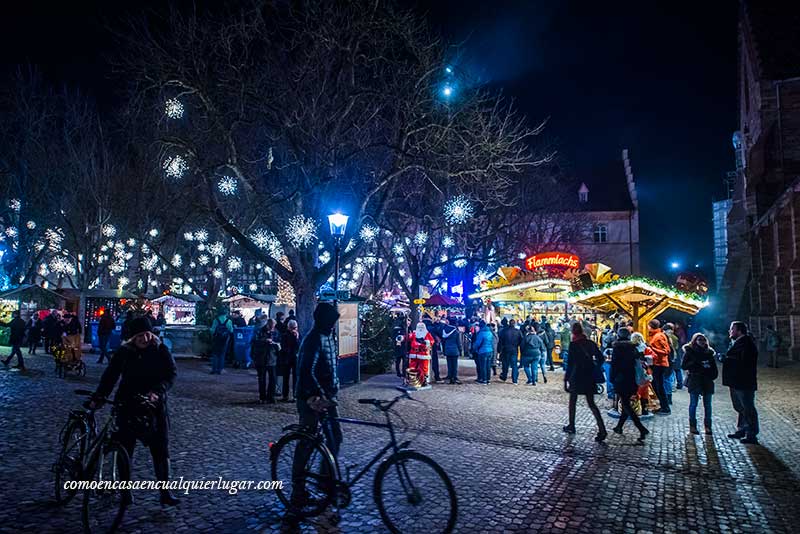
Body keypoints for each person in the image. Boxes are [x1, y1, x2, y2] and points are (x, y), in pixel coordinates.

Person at [90, 317, 179, 506]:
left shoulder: (161, 350)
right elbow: (110, 376)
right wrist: (99, 396)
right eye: (140, 336)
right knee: (125, 448)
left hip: (154, 407)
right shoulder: (124, 352)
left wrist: (158, 391)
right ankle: (125, 491)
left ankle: (165, 491)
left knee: (160, 449)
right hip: (127, 404)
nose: (145, 339)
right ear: (132, 338)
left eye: (147, 334)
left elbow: (170, 374)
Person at [291, 302, 342, 510]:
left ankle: (324, 478)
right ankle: (298, 489)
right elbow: (306, 371)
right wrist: (319, 394)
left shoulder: (328, 335)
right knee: (307, 441)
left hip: (326, 397)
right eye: (330, 322)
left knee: (335, 436)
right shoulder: (312, 340)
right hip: (310, 398)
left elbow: (330, 365)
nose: (332, 326)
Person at [563, 323, 607, 441]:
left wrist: (566, 379)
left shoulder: (573, 345)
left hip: (576, 376)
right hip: (589, 376)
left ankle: (572, 425)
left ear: (573, 332)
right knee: (591, 403)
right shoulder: (591, 344)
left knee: (573, 402)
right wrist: (595, 366)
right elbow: (601, 358)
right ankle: (602, 429)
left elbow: (570, 364)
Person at [723, 321, 759, 444]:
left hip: (743, 381)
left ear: (739, 331)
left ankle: (751, 433)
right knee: (740, 407)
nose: (730, 331)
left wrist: (727, 359)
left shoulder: (746, 343)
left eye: (732, 329)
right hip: (736, 381)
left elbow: (745, 362)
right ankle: (742, 429)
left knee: (747, 407)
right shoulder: (737, 342)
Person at [610, 328, 649, 442]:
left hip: (621, 379)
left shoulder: (617, 348)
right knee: (626, 402)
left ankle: (641, 428)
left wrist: (612, 378)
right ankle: (619, 427)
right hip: (631, 379)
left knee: (626, 404)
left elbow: (614, 365)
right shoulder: (633, 348)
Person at [681, 333, 718, 435]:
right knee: (693, 404)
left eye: (703, 340)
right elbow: (683, 365)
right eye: (699, 340)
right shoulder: (690, 352)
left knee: (708, 405)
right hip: (695, 380)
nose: (702, 342)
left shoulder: (709, 353)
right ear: (695, 341)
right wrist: (695, 363)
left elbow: (714, 368)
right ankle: (693, 426)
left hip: (707, 381)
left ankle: (708, 427)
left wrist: (711, 375)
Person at [251, 317, 280, 403]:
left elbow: (279, 342)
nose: (272, 329)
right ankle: (262, 397)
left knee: (273, 379)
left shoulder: (275, 332)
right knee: (262, 378)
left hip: (272, 358)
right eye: (271, 327)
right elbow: (255, 342)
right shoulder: (260, 331)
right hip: (262, 358)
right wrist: (264, 341)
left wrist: (276, 345)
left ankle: (271, 396)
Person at [647, 319, 672, 415]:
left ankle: (665, 407)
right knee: (656, 385)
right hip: (657, 363)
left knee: (659, 386)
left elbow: (666, 351)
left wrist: (652, 348)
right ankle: (662, 405)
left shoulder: (658, 336)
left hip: (660, 364)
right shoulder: (656, 335)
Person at [407, 322, 435, 389]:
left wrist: (426, 342)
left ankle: (423, 381)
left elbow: (432, 341)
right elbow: (408, 338)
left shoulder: (427, 334)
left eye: (422, 327)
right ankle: (413, 381)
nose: (420, 328)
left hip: (423, 353)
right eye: (419, 327)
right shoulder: (414, 334)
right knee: (412, 367)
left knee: (424, 368)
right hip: (414, 353)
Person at [279, 319, 300, 402]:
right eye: (294, 328)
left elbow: (299, 346)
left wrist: (297, 338)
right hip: (287, 358)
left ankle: (295, 395)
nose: (295, 329)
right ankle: (285, 395)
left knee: (295, 377)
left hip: (294, 358)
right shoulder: (284, 335)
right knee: (286, 377)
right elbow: (284, 347)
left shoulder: (297, 335)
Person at [209, 307, 233, 374]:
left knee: (215, 354)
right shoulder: (228, 321)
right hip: (225, 339)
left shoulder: (216, 320)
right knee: (222, 354)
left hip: (216, 339)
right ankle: (220, 369)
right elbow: (231, 330)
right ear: (226, 313)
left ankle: (214, 369)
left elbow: (212, 330)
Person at [498, 319, 523, 384]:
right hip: (514, 349)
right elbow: (521, 341)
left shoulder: (504, 331)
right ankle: (514, 380)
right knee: (514, 365)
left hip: (505, 349)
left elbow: (500, 341)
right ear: (514, 324)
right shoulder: (518, 331)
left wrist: (499, 349)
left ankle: (504, 376)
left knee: (505, 364)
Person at [471, 320, 495, 385]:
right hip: (490, 351)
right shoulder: (490, 332)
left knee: (483, 366)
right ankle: (488, 379)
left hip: (483, 351)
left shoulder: (481, 333)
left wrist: (474, 349)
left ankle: (483, 380)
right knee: (488, 366)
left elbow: (477, 343)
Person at [441, 318, 463, 384]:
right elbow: (458, 342)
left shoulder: (444, 331)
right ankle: (454, 376)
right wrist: (460, 350)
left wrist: (444, 350)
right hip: (455, 350)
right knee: (455, 364)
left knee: (449, 364)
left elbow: (443, 342)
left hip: (448, 350)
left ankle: (449, 375)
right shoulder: (456, 332)